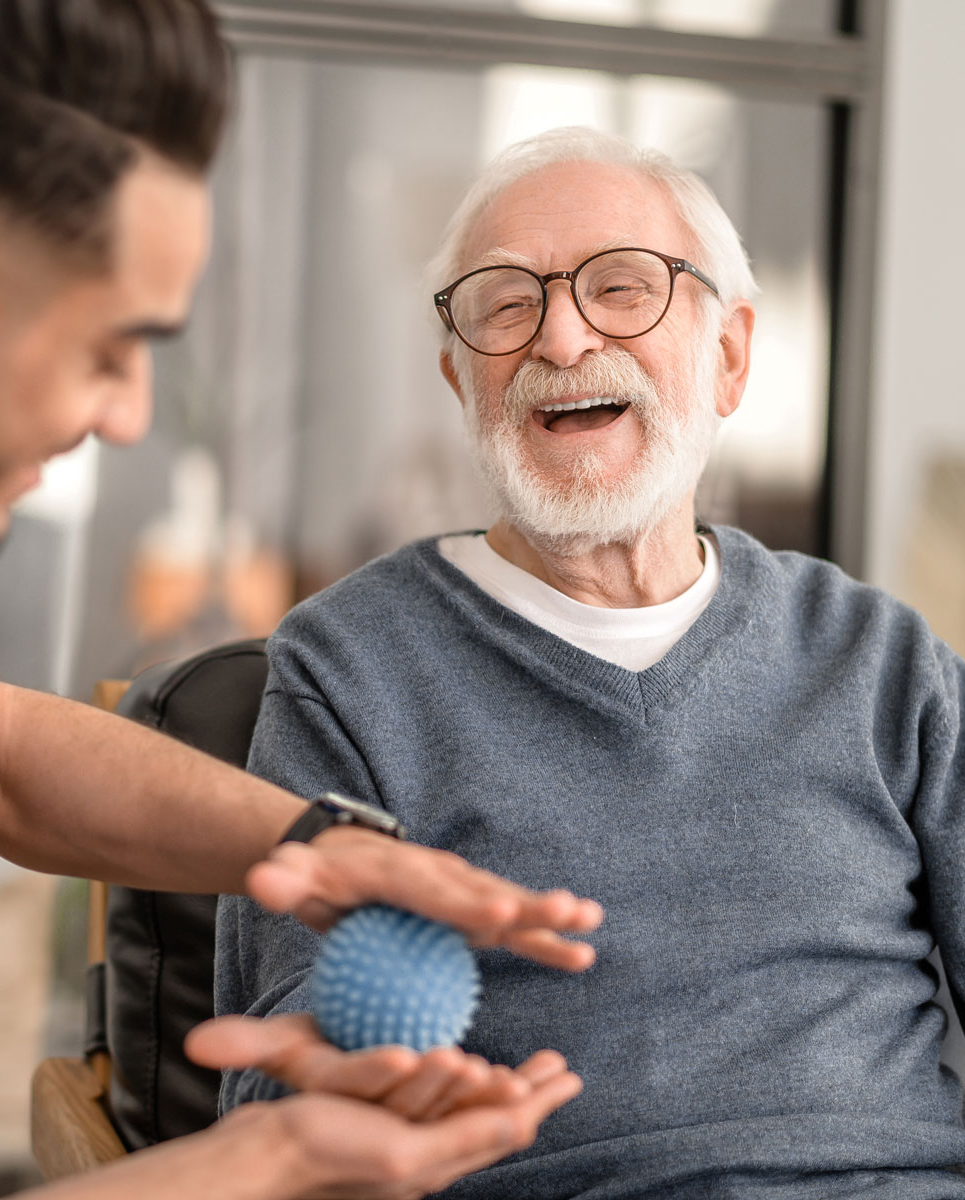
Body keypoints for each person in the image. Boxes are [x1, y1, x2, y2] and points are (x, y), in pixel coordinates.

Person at [0, 5, 610, 1198]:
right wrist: (276, 1157)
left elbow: (1, 757)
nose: (125, 416)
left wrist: (314, 850)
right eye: (113, 348)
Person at [216, 125, 965, 1198]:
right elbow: (285, 1079)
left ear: (731, 356)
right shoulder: (351, 670)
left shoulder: (881, 660)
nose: (561, 339)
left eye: (622, 288)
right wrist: (353, 1079)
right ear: (457, 377)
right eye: (507, 304)